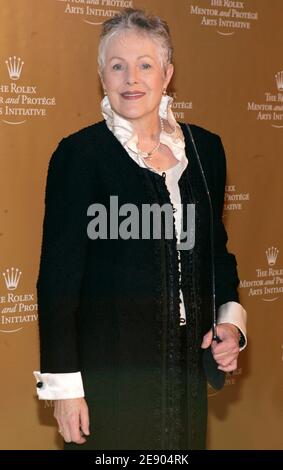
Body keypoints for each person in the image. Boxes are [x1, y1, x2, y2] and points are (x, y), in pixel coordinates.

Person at [34, 8, 247, 450]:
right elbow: (57, 282)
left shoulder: (206, 151)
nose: (131, 78)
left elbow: (216, 253)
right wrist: (65, 389)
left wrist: (230, 324)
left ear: (167, 74)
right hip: (110, 377)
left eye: (145, 65)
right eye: (118, 66)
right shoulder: (80, 156)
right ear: (102, 76)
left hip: (185, 372)